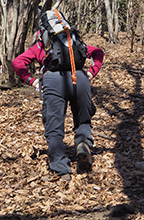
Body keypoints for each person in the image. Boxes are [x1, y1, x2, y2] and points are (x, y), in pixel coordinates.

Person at [12, 28, 104, 181]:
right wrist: (92, 72)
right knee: (83, 118)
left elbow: (17, 62)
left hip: (54, 80)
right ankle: (83, 143)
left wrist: (31, 80)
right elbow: (98, 52)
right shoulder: (72, 43)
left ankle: (61, 168)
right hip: (80, 77)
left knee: (53, 124)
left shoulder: (40, 46)